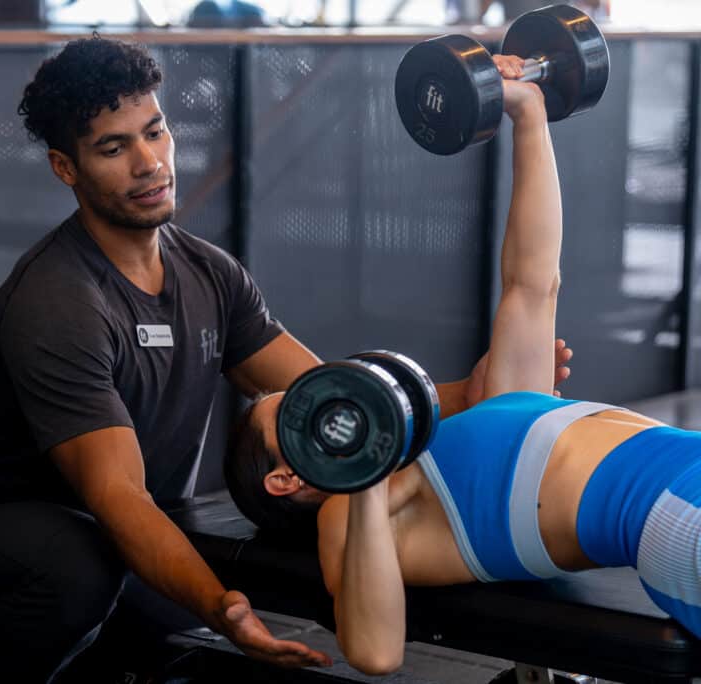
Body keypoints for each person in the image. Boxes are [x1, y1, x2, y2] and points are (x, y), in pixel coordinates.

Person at [0, 38, 570, 683]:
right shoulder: (57, 305)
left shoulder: (209, 274)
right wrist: (224, 608)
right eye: (114, 148)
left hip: (120, 530)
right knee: (83, 575)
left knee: (178, 640)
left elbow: (325, 397)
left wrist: (463, 392)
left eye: (155, 132)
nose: (150, 162)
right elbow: (118, 498)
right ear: (66, 167)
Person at [224, 53, 701, 675]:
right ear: (287, 478)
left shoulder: (499, 404)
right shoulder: (358, 508)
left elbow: (533, 282)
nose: (323, 397)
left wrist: (529, 114)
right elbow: (374, 651)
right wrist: (362, 478)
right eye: (295, 414)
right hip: (673, 518)